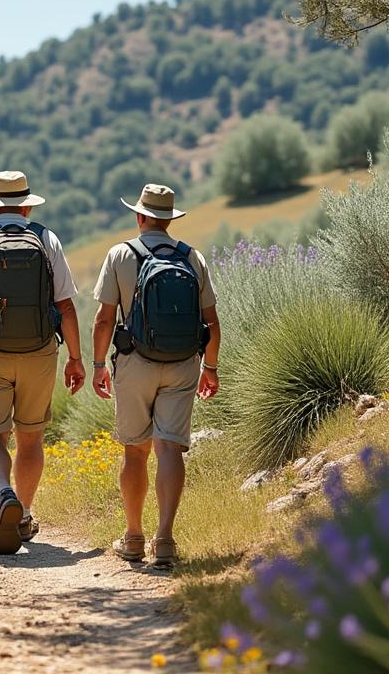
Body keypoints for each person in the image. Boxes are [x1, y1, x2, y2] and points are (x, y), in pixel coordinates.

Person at [0, 170, 85, 556]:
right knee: (31, 436)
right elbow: (66, 306)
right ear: (26, 205)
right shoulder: (46, 238)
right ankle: (23, 512)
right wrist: (75, 357)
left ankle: (3, 493)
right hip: (40, 353)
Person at [91, 184, 221, 570]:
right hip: (183, 364)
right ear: (169, 219)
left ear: (140, 216)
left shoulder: (120, 254)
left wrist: (99, 365)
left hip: (134, 364)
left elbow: (103, 319)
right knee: (169, 449)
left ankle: (133, 537)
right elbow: (211, 322)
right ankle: (164, 540)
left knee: (135, 449)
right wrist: (210, 367)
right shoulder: (192, 258)